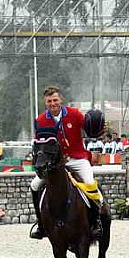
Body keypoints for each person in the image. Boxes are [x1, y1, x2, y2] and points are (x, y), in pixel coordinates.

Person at [29, 86, 103, 239]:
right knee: (34, 185)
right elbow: (40, 143)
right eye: (49, 101)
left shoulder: (74, 114)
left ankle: (96, 222)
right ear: (45, 103)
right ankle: (41, 224)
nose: (52, 103)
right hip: (54, 163)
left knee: (90, 182)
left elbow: (89, 129)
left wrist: (97, 128)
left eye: (55, 100)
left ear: (60, 100)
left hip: (77, 158)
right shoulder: (41, 120)